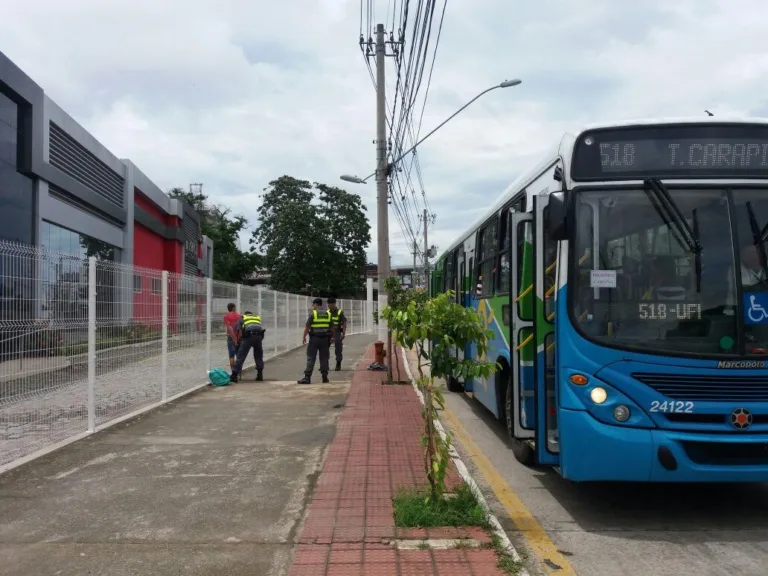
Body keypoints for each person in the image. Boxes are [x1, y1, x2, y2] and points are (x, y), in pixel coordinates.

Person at [298, 298, 334, 385]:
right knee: (324, 358)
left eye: (313, 304)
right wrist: (332, 337)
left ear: (316, 304)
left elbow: (307, 326)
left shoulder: (313, 313)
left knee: (311, 358)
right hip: (325, 339)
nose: (312, 306)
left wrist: (304, 337)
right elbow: (332, 327)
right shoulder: (328, 314)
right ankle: (324, 377)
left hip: (314, 339)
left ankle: (307, 378)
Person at [230, 310, 267, 382]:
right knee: (258, 356)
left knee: (241, 355)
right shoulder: (256, 318)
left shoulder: (242, 318)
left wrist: (239, 341)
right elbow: (259, 327)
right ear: (251, 314)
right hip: (259, 336)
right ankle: (260, 375)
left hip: (249, 337)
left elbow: (239, 331)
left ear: (245, 314)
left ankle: (234, 375)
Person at [327, 297, 347, 371]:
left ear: (334, 304)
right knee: (325, 348)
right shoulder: (327, 312)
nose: (329, 305)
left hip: (338, 332)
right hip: (328, 332)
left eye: (330, 304)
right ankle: (325, 364)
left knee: (338, 348)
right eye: (328, 304)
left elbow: (344, 322)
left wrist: (343, 332)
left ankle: (338, 363)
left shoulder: (339, 312)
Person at [223, 303, 242, 370]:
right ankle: (239, 373)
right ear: (233, 308)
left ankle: (233, 373)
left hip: (230, 337)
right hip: (238, 338)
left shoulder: (225, 316)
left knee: (231, 356)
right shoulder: (239, 316)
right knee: (239, 356)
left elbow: (227, 327)